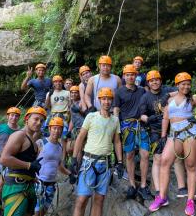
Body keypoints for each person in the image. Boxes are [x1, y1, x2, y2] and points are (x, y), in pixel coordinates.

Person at [149, 72, 196, 216]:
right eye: (183, 84)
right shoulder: (169, 99)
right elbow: (166, 118)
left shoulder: (193, 99)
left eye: (188, 84)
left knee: (191, 165)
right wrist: (163, 137)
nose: (186, 86)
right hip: (175, 134)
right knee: (165, 161)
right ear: (177, 85)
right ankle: (162, 197)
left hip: (191, 132)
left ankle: (190, 200)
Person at [71, 87, 124, 216]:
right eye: (104, 99)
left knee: (99, 199)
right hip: (89, 162)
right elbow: (80, 137)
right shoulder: (91, 116)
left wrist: (120, 161)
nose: (106, 102)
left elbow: (117, 142)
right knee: (82, 199)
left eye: (109, 99)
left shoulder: (115, 120)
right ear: (99, 100)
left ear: (112, 101)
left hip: (105, 164)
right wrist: (73, 158)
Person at [0, 106, 47, 216]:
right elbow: (4, 159)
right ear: (26, 119)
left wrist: (32, 176)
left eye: (41, 121)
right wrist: (29, 165)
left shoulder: (34, 143)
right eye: (35, 119)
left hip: (28, 186)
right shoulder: (19, 135)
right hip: (16, 188)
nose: (39, 123)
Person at [113, 64, 150, 200]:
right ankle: (132, 184)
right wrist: (116, 126)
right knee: (129, 155)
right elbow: (116, 110)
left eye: (132, 74)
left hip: (140, 124)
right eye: (128, 74)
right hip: (126, 126)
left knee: (145, 154)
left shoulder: (141, 91)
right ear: (124, 76)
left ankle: (144, 185)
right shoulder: (119, 92)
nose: (130, 77)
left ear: (136, 76)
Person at [139, 70, 176, 197]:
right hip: (155, 130)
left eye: (157, 80)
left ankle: (169, 185)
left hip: (170, 129)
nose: (154, 82)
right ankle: (159, 190)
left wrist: (169, 95)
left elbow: (182, 90)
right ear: (148, 83)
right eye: (151, 80)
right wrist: (149, 119)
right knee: (157, 158)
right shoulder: (145, 97)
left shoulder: (166, 91)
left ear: (160, 81)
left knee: (172, 158)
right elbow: (141, 115)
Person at [34, 117, 72, 216]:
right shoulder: (41, 143)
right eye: (54, 128)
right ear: (50, 129)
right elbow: (31, 159)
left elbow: (58, 165)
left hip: (51, 184)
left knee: (44, 211)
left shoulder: (60, 147)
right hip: (38, 181)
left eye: (59, 128)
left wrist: (70, 174)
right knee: (36, 210)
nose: (57, 131)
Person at [63, 85, 85, 160]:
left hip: (82, 128)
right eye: (72, 93)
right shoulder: (71, 104)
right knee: (69, 148)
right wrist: (69, 131)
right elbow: (73, 118)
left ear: (79, 94)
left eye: (76, 93)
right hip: (75, 128)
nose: (73, 94)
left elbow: (85, 113)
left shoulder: (82, 102)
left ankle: (77, 168)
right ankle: (73, 163)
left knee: (78, 148)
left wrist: (79, 110)